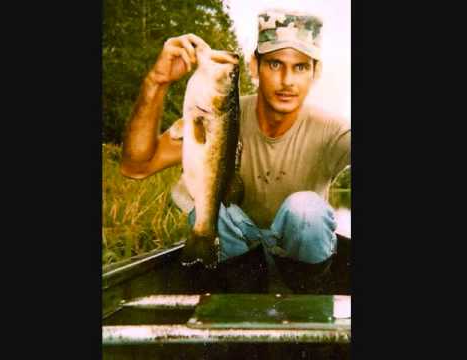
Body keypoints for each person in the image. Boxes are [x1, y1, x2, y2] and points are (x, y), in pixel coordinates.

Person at [120, 9, 351, 293]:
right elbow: (135, 167)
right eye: (275, 64)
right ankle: (246, 300)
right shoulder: (215, 116)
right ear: (254, 67)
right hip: (239, 253)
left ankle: (308, 298)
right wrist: (157, 80)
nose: (287, 80)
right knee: (213, 213)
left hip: (302, 260)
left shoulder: (332, 130)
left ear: (315, 73)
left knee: (306, 210)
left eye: (300, 67)